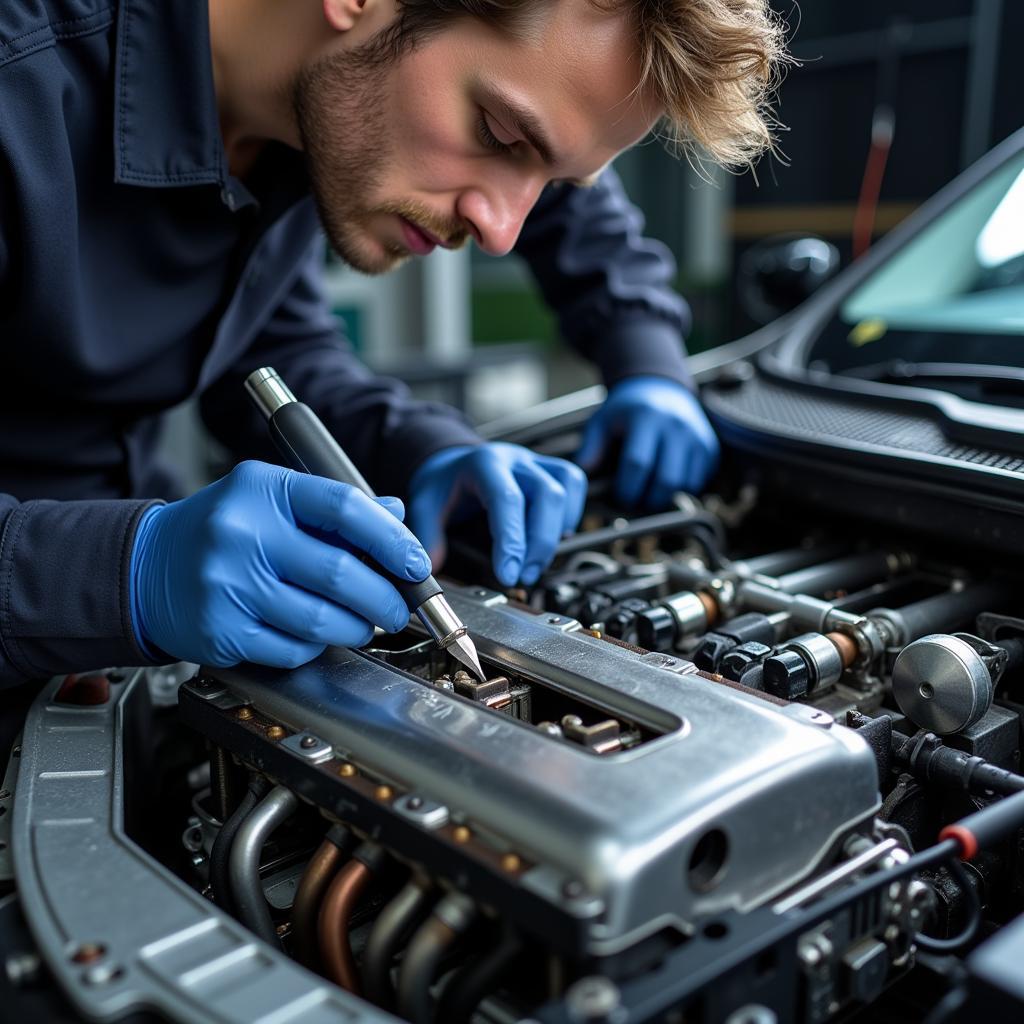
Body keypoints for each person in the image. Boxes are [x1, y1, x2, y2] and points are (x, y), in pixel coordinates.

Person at [0, 0, 785, 687]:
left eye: (549, 183)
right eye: (500, 134)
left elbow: (271, 358)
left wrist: (423, 449)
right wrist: (115, 576)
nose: (501, 232)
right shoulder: (19, 83)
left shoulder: (309, 109)